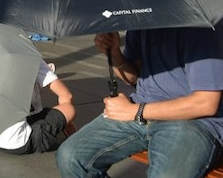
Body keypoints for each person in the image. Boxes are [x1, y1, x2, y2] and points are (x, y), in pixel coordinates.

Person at [56, 27, 223, 178]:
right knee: (71, 157)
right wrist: (114, 54)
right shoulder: (142, 19)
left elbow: (206, 103)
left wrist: (136, 111)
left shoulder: (202, 30)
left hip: (193, 122)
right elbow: (134, 77)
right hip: (140, 109)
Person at [0, 60, 76, 154]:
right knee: (69, 109)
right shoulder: (30, 58)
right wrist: (67, 123)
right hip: (18, 142)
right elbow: (66, 96)